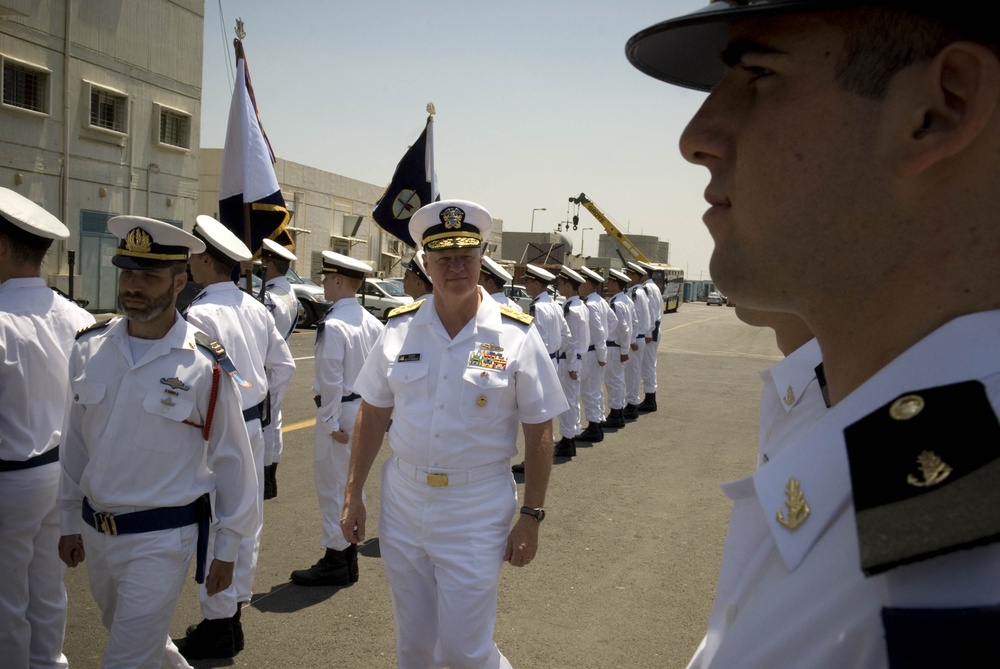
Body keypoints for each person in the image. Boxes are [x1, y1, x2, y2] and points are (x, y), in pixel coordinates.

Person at [626, 2, 1000, 666]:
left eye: (759, 73)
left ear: (938, 110)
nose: (696, 136)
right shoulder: (890, 469)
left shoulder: (959, 574)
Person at [340, 199, 567, 669]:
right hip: (403, 501)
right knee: (416, 645)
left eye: (465, 256)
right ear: (426, 264)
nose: (456, 268)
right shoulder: (399, 329)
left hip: (475, 506)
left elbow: (539, 426)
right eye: (443, 259)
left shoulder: (515, 336)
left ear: (482, 260)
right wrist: (352, 493)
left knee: (465, 649)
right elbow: (374, 412)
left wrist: (532, 514)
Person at [58, 215, 258, 669]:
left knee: (125, 657)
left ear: (179, 281)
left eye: (149, 276)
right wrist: (69, 516)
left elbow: (233, 462)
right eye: (128, 273)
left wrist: (228, 550)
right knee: (141, 644)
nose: (133, 286)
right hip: (97, 531)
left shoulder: (204, 364)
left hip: (161, 538)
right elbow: (75, 443)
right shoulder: (89, 348)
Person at [176, 215, 295, 660]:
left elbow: (192, 379)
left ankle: (218, 623)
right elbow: (283, 368)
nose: (188, 263)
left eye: (192, 255)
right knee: (246, 521)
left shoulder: (201, 313)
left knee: (216, 522)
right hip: (251, 424)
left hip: (216, 428)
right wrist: (265, 412)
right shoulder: (254, 307)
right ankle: (233, 610)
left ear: (206, 259)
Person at [0, 189, 94, 669]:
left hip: (10, 479)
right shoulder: (76, 317)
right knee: (47, 589)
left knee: (5, 603)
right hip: (60, 475)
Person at [290, 251, 383, 587]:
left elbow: (330, 380)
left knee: (333, 487)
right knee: (353, 485)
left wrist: (329, 422)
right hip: (364, 409)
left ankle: (336, 561)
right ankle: (348, 558)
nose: (324, 283)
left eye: (327, 278)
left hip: (340, 411)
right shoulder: (373, 322)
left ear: (341, 281)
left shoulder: (334, 325)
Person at [512, 263, 569, 473]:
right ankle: (544, 456)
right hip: (553, 360)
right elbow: (566, 334)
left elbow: (538, 341)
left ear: (536, 283)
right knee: (544, 414)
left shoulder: (538, 306)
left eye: (528, 281)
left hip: (541, 361)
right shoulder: (554, 304)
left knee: (534, 415)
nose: (526, 285)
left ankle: (534, 461)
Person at [260, 238, 299, 500]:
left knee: (264, 423)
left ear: (269, 265)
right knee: (273, 421)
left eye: (262, 263)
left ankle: (264, 477)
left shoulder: (269, 298)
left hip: (265, 363)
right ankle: (269, 477)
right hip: (278, 359)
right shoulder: (289, 292)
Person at [553, 266, 590, 457]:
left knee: (567, 401)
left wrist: (572, 365)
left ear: (568, 285)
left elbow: (573, 340)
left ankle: (567, 441)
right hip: (574, 360)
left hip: (569, 361)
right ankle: (571, 435)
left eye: (560, 284)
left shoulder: (572, 309)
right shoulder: (580, 306)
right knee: (572, 400)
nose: (558, 287)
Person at [576, 267, 612, 443]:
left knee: (589, 392)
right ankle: (596, 424)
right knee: (595, 390)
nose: (579, 287)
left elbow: (598, 330)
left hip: (591, 352)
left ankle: (594, 428)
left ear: (588, 284)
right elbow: (612, 322)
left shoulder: (590, 305)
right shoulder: (601, 301)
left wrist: (600, 350)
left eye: (581, 283)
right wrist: (603, 343)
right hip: (596, 350)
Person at [601, 268, 635, 430]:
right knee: (618, 381)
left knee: (613, 382)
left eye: (610, 282)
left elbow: (624, 328)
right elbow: (633, 324)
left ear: (615, 283)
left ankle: (615, 414)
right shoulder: (626, 301)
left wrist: (623, 351)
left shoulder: (616, 303)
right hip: (619, 347)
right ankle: (618, 412)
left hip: (614, 347)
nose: (608, 284)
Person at [623, 262, 651, 420]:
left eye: (628, 274)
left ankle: (632, 405)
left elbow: (634, 318)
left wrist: (632, 339)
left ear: (634, 276)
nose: (626, 276)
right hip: (638, 337)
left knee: (632, 374)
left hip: (635, 338)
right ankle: (631, 403)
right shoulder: (638, 292)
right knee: (632, 373)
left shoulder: (635, 293)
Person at [637, 260, 664, 413]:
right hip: (653, 329)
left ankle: (650, 399)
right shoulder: (653, 287)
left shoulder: (647, 288)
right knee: (649, 364)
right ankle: (649, 397)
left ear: (645, 274)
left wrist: (648, 333)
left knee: (647, 365)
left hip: (651, 331)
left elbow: (651, 313)